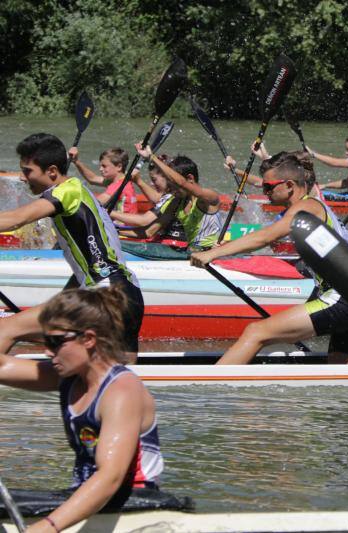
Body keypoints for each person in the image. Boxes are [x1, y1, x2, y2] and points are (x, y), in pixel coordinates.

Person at [0, 287, 164, 533]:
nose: (47, 351)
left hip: (133, 503)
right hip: (88, 496)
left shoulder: (121, 391)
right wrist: (16, 326)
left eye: (55, 342)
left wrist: (46, 528)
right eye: (46, 341)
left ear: (88, 339)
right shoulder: (69, 378)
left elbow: (110, 477)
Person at [190, 152, 348, 365]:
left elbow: (266, 237)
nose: (265, 192)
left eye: (268, 187)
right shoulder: (313, 206)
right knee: (341, 375)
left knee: (256, 332)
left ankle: (211, 391)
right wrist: (229, 249)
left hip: (343, 297)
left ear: (289, 185)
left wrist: (212, 254)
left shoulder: (306, 207)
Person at [0, 133, 143, 357]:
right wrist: (59, 306)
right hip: (127, 295)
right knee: (118, 379)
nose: (22, 178)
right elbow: (88, 263)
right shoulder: (79, 192)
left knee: (5, 329)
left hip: (105, 297)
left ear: (52, 171)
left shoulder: (66, 192)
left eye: (28, 171)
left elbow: (16, 219)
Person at [124, 145, 222, 250]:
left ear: (190, 178)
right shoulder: (177, 201)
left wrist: (152, 157)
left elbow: (182, 183)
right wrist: (114, 231)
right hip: (190, 255)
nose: (171, 190)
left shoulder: (208, 198)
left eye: (174, 185)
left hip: (210, 254)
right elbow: (149, 232)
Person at [69, 147, 137, 213]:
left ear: (119, 167)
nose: (100, 169)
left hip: (121, 224)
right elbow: (92, 179)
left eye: (104, 166)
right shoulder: (123, 180)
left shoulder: (116, 186)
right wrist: (76, 161)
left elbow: (94, 204)